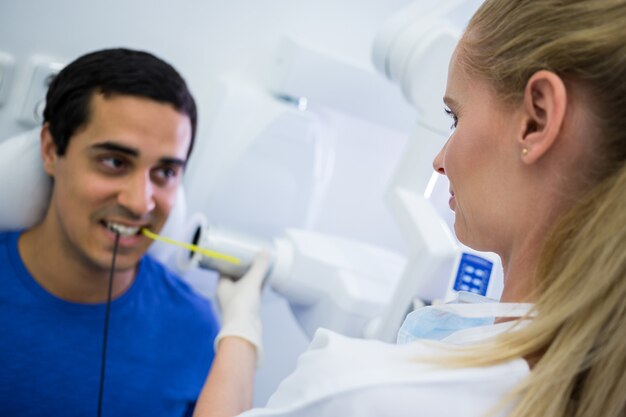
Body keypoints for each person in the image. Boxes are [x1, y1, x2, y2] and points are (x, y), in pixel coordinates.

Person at [193, 0, 626, 416]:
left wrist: (239, 330)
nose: (440, 160)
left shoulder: (364, 395)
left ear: (536, 119)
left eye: (455, 117)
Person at [0, 48, 222, 417]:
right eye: (115, 162)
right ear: (52, 150)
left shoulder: (195, 330)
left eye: (165, 172)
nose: (139, 203)